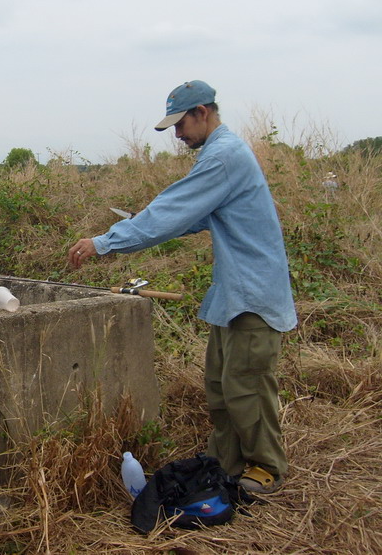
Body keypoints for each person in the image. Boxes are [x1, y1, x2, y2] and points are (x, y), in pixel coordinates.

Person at [68, 80, 296, 494]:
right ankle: (227, 465)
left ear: (203, 112)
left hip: (254, 296)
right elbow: (190, 216)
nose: (177, 134)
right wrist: (146, 223)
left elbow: (173, 210)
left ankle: (265, 468)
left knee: (247, 388)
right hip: (234, 295)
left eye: (181, 124)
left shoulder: (224, 156)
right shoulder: (218, 154)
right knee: (220, 387)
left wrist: (105, 242)